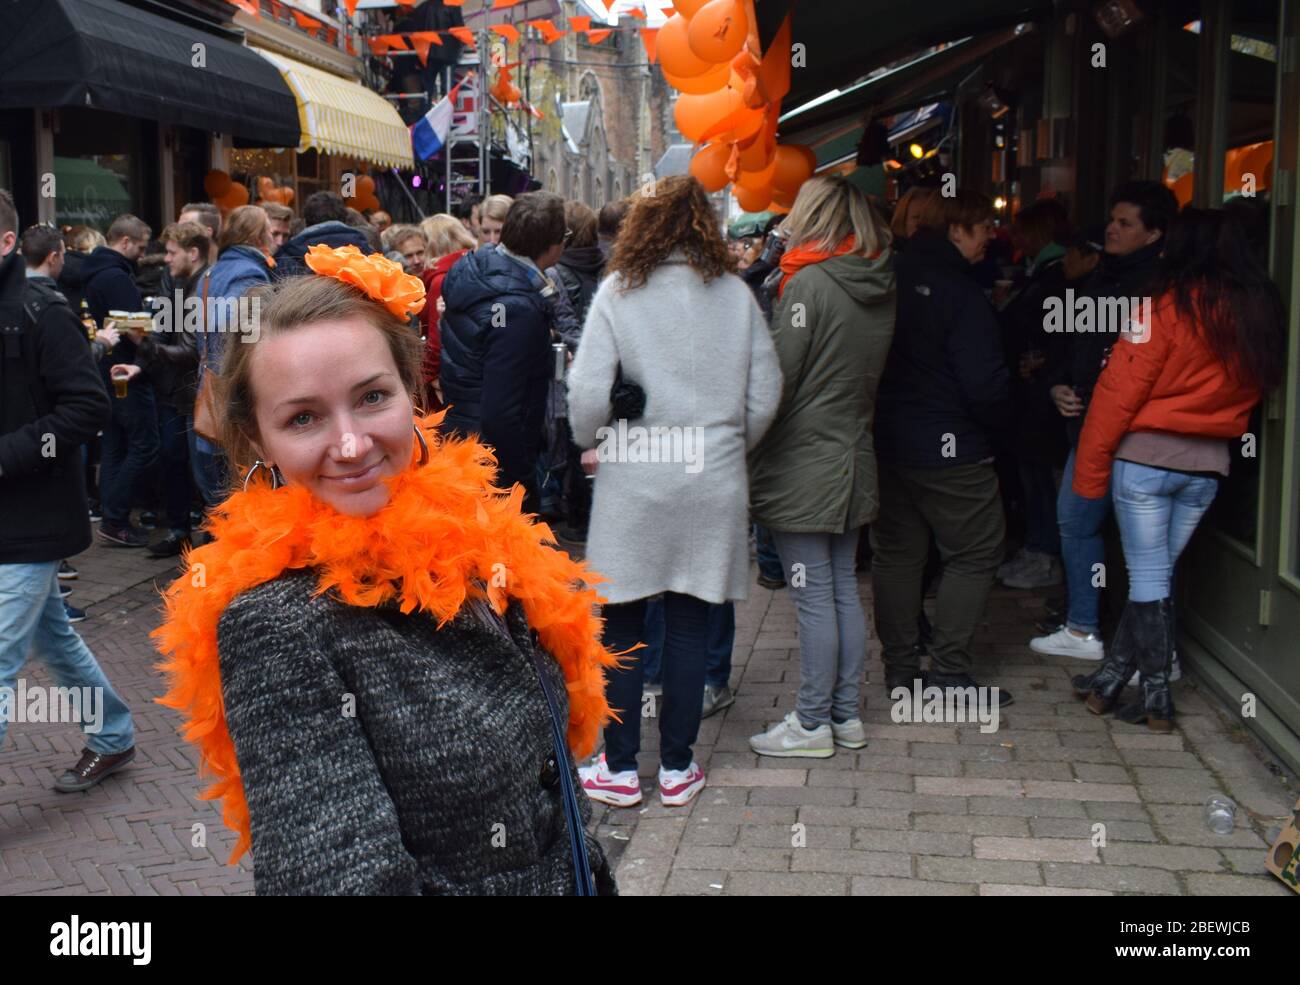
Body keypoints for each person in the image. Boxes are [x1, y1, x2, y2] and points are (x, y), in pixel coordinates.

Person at [153, 248, 617, 894]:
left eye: (371, 397)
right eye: (304, 417)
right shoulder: (277, 627)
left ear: (414, 392)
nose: (350, 445)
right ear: (259, 440)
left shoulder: (478, 541)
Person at [567, 175, 781, 808]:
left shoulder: (618, 294)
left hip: (637, 471)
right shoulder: (735, 297)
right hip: (711, 475)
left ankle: (622, 766)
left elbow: (584, 395)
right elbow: (765, 393)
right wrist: (727, 446)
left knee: (626, 621)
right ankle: (680, 766)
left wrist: (595, 438)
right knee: (692, 618)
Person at [1070, 208, 1285, 731]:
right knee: (1156, 577)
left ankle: (1158, 695)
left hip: (1145, 461)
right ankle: (1109, 682)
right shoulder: (1255, 313)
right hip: (1207, 464)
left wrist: (1089, 476)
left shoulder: (1163, 308)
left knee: (1148, 579)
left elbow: (1116, 395)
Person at [748, 175, 896, 757]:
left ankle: (811, 723)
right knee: (838, 592)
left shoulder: (809, 284)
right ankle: (843, 715)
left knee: (813, 596)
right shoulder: (877, 280)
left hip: (803, 460)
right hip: (852, 451)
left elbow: (778, 378)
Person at [0, 190, 137, 791]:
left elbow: (87, 408)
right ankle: (113, 736)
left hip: (33, 520)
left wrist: (7, 456)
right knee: (54, 635)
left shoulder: (40, 309)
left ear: (6, 243)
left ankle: (113, 738)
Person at [870, 189, 1015, 705]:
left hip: (888, 438)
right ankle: (949, 674)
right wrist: (1002, 432)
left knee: (898, 555)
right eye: (981, 227)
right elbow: (986, 385)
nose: (990, 237)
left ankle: (902, 671)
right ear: (956, 230)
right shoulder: (961, 292)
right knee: (976, 551)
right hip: (949, 445)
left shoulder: (885, 278)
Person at [1030, 181, 1178, 661]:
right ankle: (1086, 626)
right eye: (1112, 220)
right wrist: (1058, 385)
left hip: (1138, 433)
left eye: (1125, 224)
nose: (1111, 230)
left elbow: (1148, 369)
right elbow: (1069, 348)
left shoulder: (1161, 289)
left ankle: (1128, 643)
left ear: (1153, 234)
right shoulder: (1098, 280)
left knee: (1129, 539)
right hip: (1088, 426)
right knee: (1078, 521)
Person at [440, 192, 567, 513]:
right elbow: (499, 412)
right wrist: (521, 482)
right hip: (493, 460)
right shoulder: (517, 309)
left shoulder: (479, 268)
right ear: (551, 246)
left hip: (466, 441)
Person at [113, 221, 207, 557]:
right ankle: (180, 531)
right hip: (172, 391)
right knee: (173, 459)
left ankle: (209, 538)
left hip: (197, 393)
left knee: (203, 468)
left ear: (193, 253)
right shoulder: (174, 280)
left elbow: (191, 351)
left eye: (171, 252)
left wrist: (144, 346)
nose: (165, 258)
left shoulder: (206, 286)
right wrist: (141, 363)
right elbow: (166, 333)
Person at [997, 199, 1072, 590]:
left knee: (1042, 478)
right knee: (1035, 476)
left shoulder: (1054, 276)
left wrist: (1043, 365)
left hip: (1043, 396)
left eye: (1021, 229)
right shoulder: (1040, 272)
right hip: (1033, 393)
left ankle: (1045, 555)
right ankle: (1038, 550)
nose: (1013, 236)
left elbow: (1057, 333)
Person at [81, 214, 159, 548]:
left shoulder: (92, 271)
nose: (142, 255)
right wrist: (155, 347)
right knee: (144, 443)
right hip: (125, 372)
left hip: (104, 372)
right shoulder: (117, 277)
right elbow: (136, 328)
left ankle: (112, 518)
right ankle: (115, 517)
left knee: (114, 444)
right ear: (124, 242)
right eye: (140, 247)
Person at [193, 205, 275, 509]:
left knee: (219, 498)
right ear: (257, 235)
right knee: (238, 497)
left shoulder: (213, 270)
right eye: (269, 229)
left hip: (211, 386)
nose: (274, 236)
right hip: (233, 396)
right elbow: (244, 333)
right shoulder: (247, 272)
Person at [416, 214, 477, 409]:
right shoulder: (474, 267)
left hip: (445, 381)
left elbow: (436, 340)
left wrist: (423, 377)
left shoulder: (440, 280)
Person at [273, 191, 372, 277]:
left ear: (306, 221)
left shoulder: (288, 254)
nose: (279, 240)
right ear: (345, 218)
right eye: (275, 234)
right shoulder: (364, 249)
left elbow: (275, 293)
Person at [889, 186, 938, 251]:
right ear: (903, 219)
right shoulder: (890, 256)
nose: (923, 223)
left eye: (930, 217)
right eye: (917, 217)